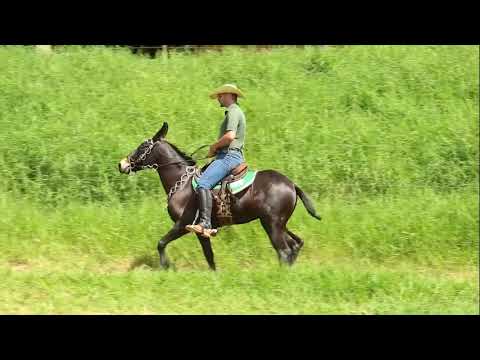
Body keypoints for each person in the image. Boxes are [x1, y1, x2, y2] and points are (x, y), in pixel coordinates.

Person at [186, 84, 247, 238]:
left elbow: (230, 137)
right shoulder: (234, 112)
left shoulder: (233, 111)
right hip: (227, 155)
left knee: (203, 184)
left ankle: (205, 223)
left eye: (220, 95)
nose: (218, 98)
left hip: (229, 157)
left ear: (229, 95)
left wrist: (214, 146)